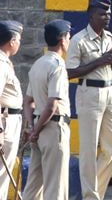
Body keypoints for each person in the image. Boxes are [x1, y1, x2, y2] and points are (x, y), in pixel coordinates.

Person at [66, 0, 112, 200]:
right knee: (88, 149)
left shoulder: (109, 37)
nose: (106, 17)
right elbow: (70, 73)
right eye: (101, 13)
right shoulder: (78, 40)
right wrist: (101, 60)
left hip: (109, 92)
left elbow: (111, 70)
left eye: (108, 13)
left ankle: (93, 191)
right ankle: (91, 196)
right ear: (90, 15)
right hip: (89, 93)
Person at [22, 19, 72, 200]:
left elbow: (27, 101)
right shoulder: (57, 66)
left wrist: (31, 127)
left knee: (33, 185)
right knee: (55, 186)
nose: (69, 40)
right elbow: (52, 105)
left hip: (38, 128)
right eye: (68, 36)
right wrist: (36, 129)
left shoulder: (38, 64)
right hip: (53, 128)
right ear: (61, 39)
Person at [0, 20, 24, 200]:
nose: (20, 43)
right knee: (1, 173)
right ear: (11, 41)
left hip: (10, 121)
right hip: (5, 123)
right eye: (19, 39)